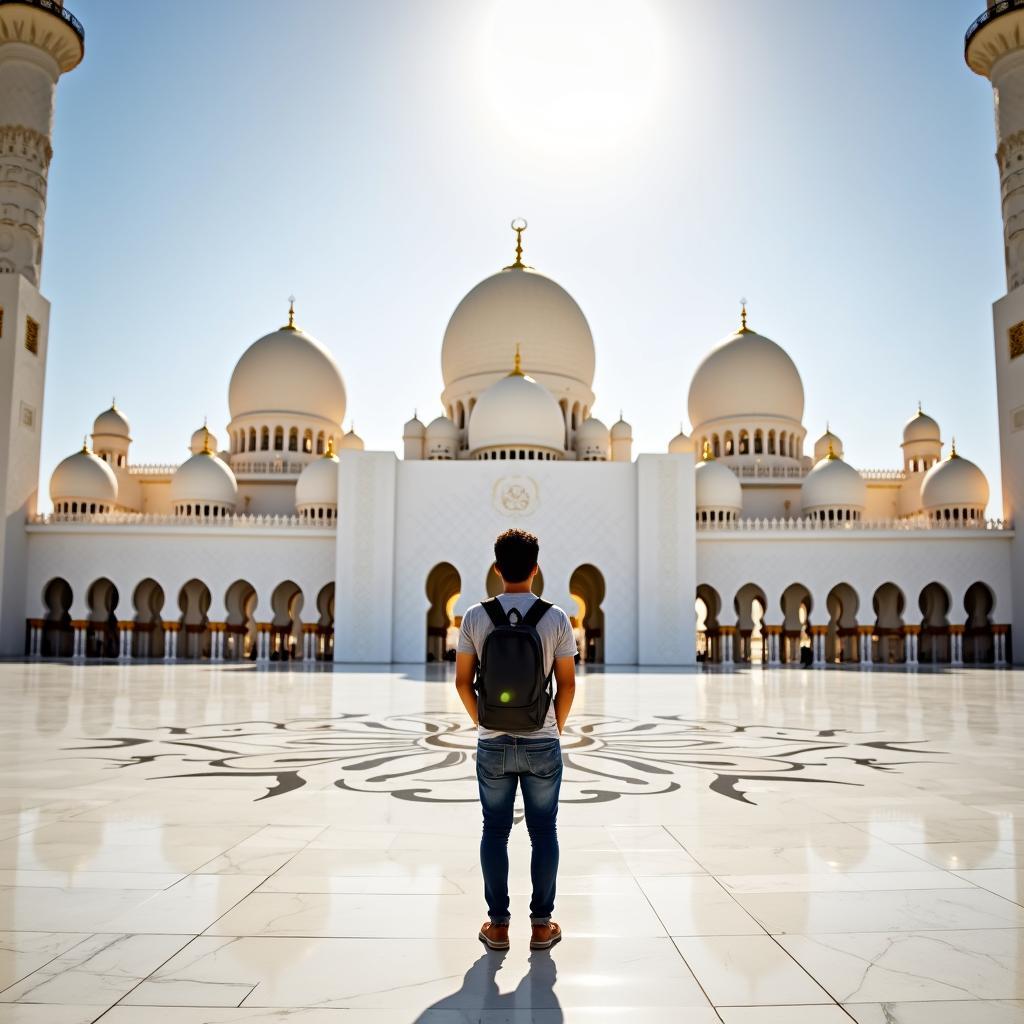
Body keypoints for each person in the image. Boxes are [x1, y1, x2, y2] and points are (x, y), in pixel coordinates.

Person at [455, 528, 577, 952]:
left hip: (493, 744)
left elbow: (461, 683)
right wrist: (550, 728)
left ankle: (499, 925)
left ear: (496, 568)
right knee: (544, 831)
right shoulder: (556, 618)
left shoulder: (474, 616)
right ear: (536, 569)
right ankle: (542, 926)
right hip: (541, 740)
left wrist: (484, 723)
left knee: (495, 829)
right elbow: (567, 686)